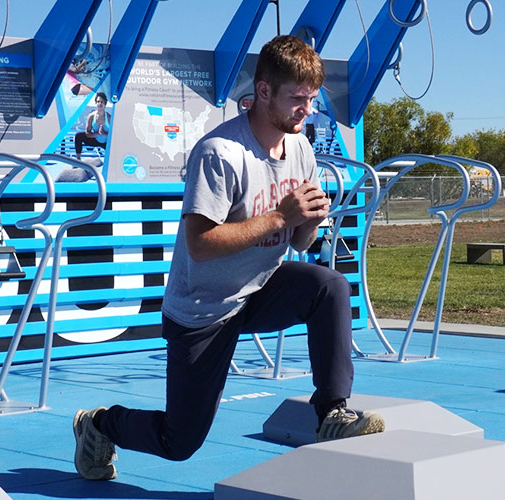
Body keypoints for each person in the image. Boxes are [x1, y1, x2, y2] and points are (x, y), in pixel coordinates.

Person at [72, 35, 384, 482]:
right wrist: (281, 214)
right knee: (179, 442)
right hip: (204, 308)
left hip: (259, 289)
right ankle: (99, 424)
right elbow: (200, 243)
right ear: (262, 93)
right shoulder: (220, 153)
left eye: (311, 99)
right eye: (296, 98)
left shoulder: (300, 148)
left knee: (329, 286)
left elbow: (299, 242)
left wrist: (312, 218)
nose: (307, 109)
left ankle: (331, 413)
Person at [74, 92, 110, 160]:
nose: (100, 103)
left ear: (105, 104)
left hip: (106, 142)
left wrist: (104, 134)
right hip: (95, 140)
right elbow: (87, 133)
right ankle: (78, 159)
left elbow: (114, 136)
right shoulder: (91, 116)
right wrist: (97, 134)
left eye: (102, 102)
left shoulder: (109, 117)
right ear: (96, 103)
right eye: (98, 101)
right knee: (78, 136)